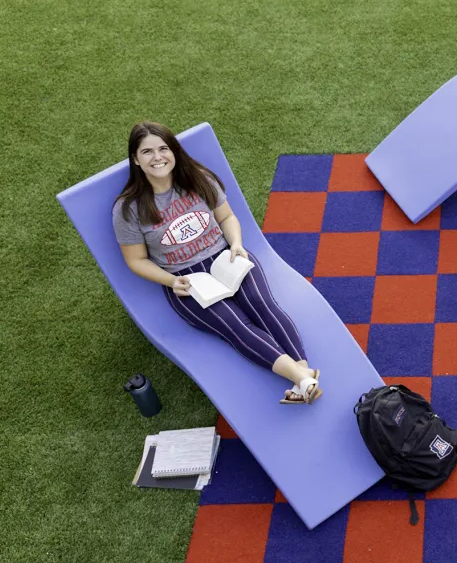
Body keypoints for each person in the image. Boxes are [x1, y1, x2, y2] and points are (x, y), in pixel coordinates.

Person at [111, 121, 322, 404]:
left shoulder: (199, 179)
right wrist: (172, 281)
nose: (157, 157)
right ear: (135, 159)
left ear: (174, 151)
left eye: (163, 148)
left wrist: (236, 243)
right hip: (185, 278)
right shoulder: (129, 208)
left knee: (263, 306)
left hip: (225, 256)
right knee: (236, 325)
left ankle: (303, 377)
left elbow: (226, 218)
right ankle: (303, 377)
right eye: (147, 151)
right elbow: (136, 260)